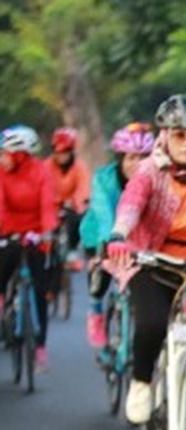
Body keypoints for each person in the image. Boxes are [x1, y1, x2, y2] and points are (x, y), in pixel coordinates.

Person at [106, 94, 186, 430]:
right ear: (165, 137)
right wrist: (119, 234)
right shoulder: (148, 171)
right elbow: (131, 204)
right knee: (152, 324)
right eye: (180, 135)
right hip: (150, 259)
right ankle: (142, 383)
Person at [80, 122, 155, 348]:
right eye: (131, 158)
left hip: (140, 239)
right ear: (120, 158)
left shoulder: (155, 177)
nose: (137, 164)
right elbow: (104, 215)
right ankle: (96, 313)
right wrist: (110, 241)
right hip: (101, 233)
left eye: (143, 157)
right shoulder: (104, 180)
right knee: (100, 271)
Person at [0, 125, 58, 372]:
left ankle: (40, 345)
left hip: (35, 233)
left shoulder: (41, 172)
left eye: (5, 153)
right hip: (7, 231)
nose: (2, 158)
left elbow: (48, 204)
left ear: (19, 154)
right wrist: (7, 231)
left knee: (40, 287)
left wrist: (47, 231)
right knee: (4, 264)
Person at [44, 127, 91, 303]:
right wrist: (53, 203)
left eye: (65, 152)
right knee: (51, 246)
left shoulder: (79, 167)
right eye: (58, 152)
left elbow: (83, 187)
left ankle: (71, 250)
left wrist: (79, 202)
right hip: (51, 206)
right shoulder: (46, 166)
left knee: (78, 219)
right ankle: (49, 287)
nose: (61, 156)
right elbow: (43, 188)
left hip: (71, 204)